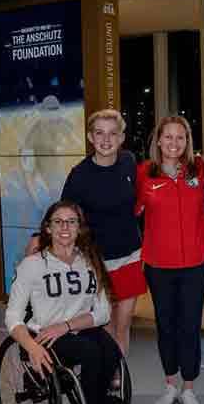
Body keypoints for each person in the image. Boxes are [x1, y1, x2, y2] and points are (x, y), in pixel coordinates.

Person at [4, 200, 126, 404]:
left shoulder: (90, 261)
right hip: (46, 337)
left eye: (71, 221)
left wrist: (67, 325)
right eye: (57, 221)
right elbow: (13, 317)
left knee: (112, 350)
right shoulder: (32, 265)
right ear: (47, 228)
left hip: (76, 328)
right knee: (91, 352)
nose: (65, 227)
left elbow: (102, 313)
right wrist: (32, 347)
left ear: (80, 228)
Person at [55, 109, 145, 357]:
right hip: (96, 262)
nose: (106, 140)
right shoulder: (79, 175)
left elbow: (141, 200)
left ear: (122, 137)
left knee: (123, 324)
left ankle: (118, 379)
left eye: (113, 133)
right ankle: (104, 376)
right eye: (99, 133)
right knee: (105, 325)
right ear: (90, 137)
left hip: (129, 257)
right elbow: (64, 215)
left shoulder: (129, 162)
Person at [137, 117, 204, 404]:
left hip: (195, 263)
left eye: (180, 138)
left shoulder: (199, 169)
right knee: (166, 325)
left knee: (190, 326)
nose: (174, 143)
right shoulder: (144, 172)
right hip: (158, 264)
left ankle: (189, 389)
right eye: (168, 137)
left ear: (187, 141)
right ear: (158, 140)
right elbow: (130, 211)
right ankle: (170, 385)